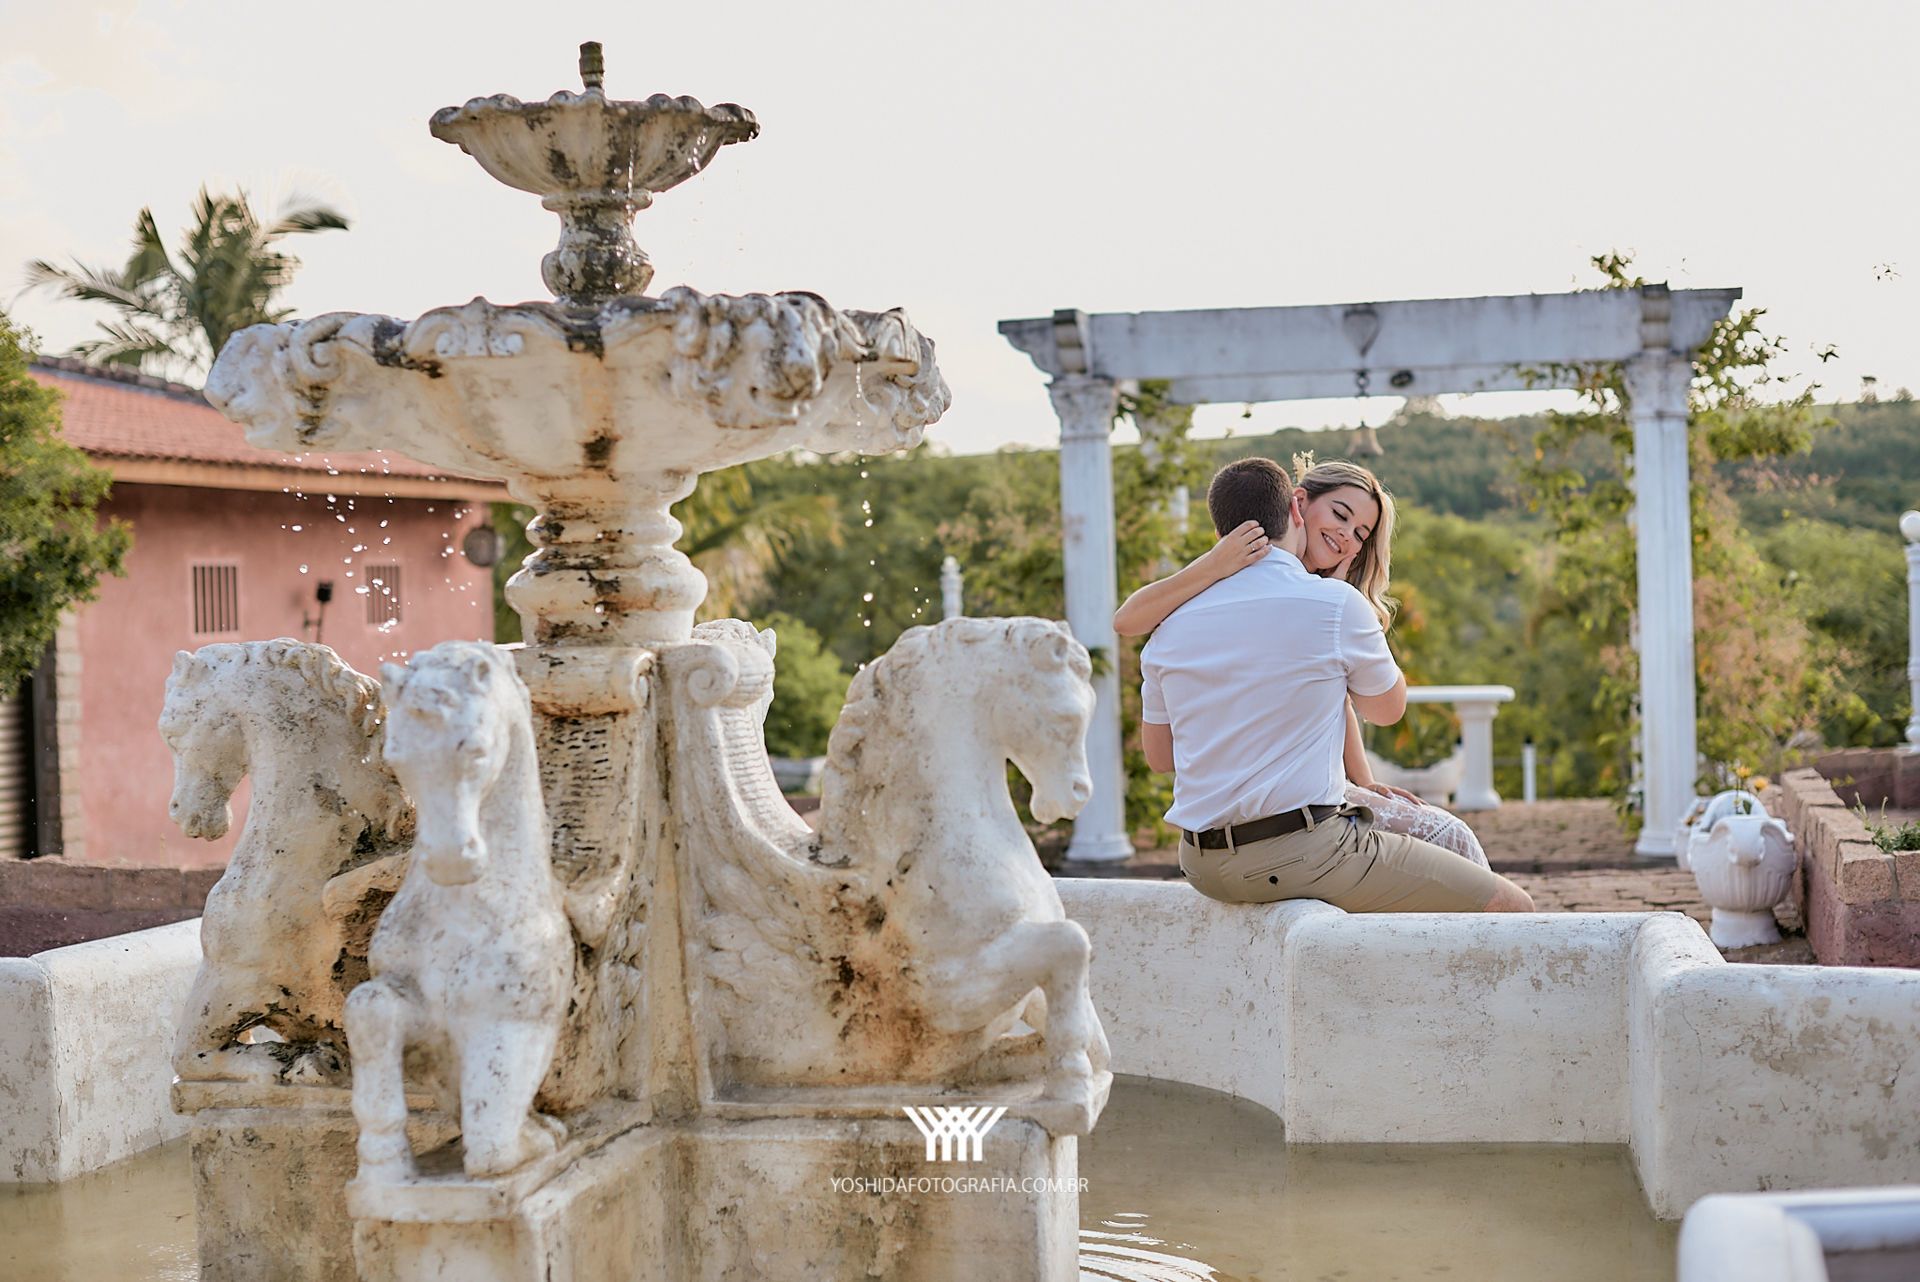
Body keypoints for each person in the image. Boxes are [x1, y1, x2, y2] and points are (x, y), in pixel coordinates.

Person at [1136, 456, 1533, 912]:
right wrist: (1350, 607)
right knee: (1510, 904)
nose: (1349, 536)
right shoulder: (1334, 605)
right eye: (1342, 516)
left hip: (1202, 862)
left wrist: (1362, 779)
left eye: (1361, 534)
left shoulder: (1169, 625)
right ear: (1297, 507)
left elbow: (1161, 758)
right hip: (1299, 849)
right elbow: (1387, 711)